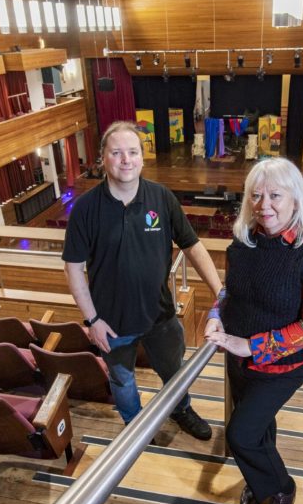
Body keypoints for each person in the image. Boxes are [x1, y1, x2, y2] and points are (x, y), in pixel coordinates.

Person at [204, 157, 303, 504]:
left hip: (284, 366)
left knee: (242, 434)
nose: (264, 204)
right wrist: (217, 314)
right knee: (259, 425)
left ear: (296, 199)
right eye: (256, 195)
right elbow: (231, 291)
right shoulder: (245, 240)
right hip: (240, 357)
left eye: (275, 195)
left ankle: (280, 491)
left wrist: (251, 345)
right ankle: (259, 480)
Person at [63, 120, 223, 441]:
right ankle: (134, 430)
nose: (126, 159)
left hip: (160, 316)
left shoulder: (162, 198)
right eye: (117, 152)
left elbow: (192, 245)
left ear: (142, 157)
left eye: (133, 152)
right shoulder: (85, 209)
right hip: (111, 322)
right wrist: (92, 320)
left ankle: (180, 410)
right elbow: (73, 267)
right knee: (123, 382)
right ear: (103, 158)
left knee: (174, 372)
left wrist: (222, 292)